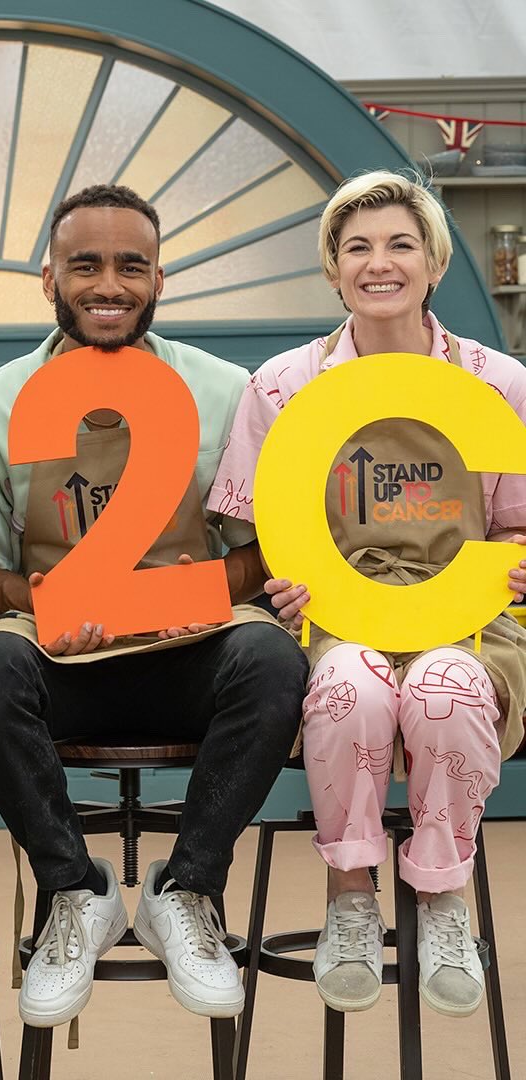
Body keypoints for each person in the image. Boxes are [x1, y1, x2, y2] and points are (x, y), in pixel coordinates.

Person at [0, 183, 309, 1029]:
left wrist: (198, 595)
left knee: (271, 660)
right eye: (85, 264)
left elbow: (266, 554)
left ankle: (187, 892)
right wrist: (43, 605)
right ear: (49, 277)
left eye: (130, 265)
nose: (108, 283)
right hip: (63, 655)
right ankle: (76, 892)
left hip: (190, 651)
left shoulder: (228, 391)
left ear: (160, 278)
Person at [211, 169, 526, 1018]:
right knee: (350, 688)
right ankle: (351, 898)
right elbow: (250, 533)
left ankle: (443, 897)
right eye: (357, 247)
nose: (378, 263)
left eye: (399, 244)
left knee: (443, 689)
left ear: (433, 262)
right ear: (333, 266)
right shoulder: (282, 385)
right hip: (336, 621)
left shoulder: (500, 382)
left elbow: (521, 525)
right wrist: (279, 585)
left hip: (470, 622)